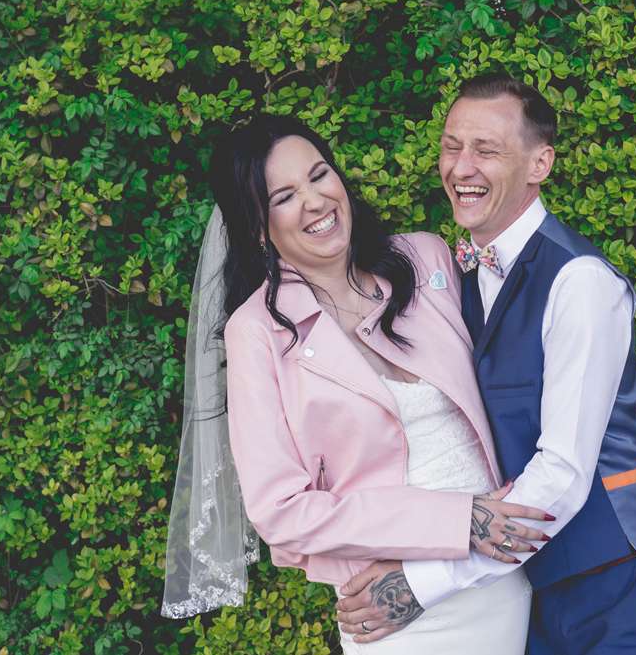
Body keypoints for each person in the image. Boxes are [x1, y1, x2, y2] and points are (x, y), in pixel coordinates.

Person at [161, 114, 550, 654]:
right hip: (388, 607)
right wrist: (460, 520)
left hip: (498, 580)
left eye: (319, 174)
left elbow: (510, 386)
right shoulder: (256, 332)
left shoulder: (426, 258)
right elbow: (281, 510)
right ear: (257, 227)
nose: (315, 201)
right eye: (284, 197)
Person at [336, 74, 636, 654]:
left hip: (613, 574)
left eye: (486, 150)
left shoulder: (580, 283)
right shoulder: (454, 278)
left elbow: (563, 473)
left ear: (539, 163)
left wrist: (420, 583)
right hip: (525, 581)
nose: (461, 167)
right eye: (451, 146)